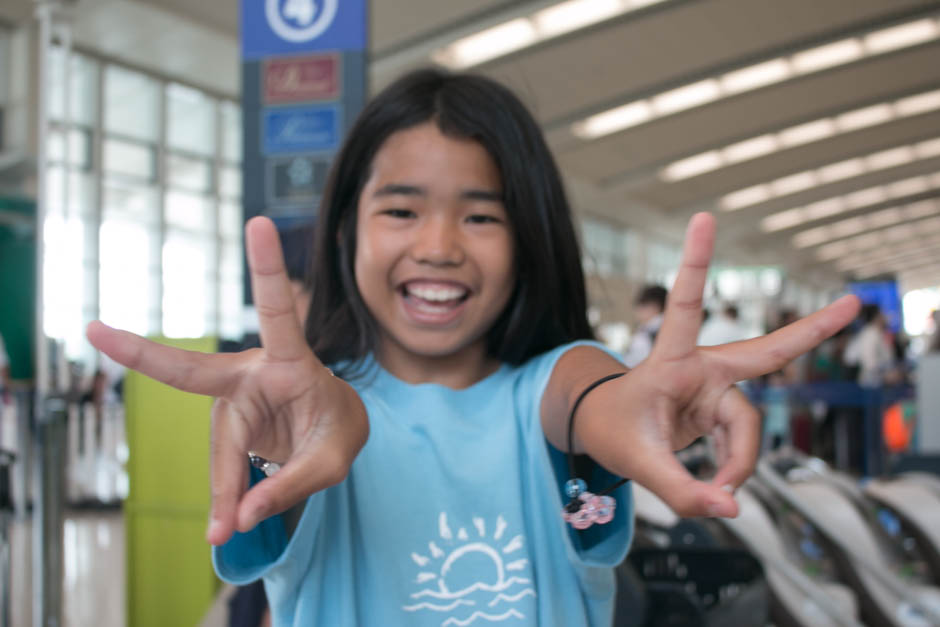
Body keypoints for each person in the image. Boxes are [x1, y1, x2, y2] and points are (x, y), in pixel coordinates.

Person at [86, 69, 859, 626]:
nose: (439, 245)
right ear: (348, 228)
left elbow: (589, 396)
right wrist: (276, 446)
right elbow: (335, 422)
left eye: (482, 217)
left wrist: (633, 400)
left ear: (531, 239)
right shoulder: (311, 416)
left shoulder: (553, 387)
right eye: (401, 209)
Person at [622, 285, 666, 368]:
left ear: (654, 306)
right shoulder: (670, 330)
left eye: (642, 305)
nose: (637, 311)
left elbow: (631, 364)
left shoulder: (647, 333)